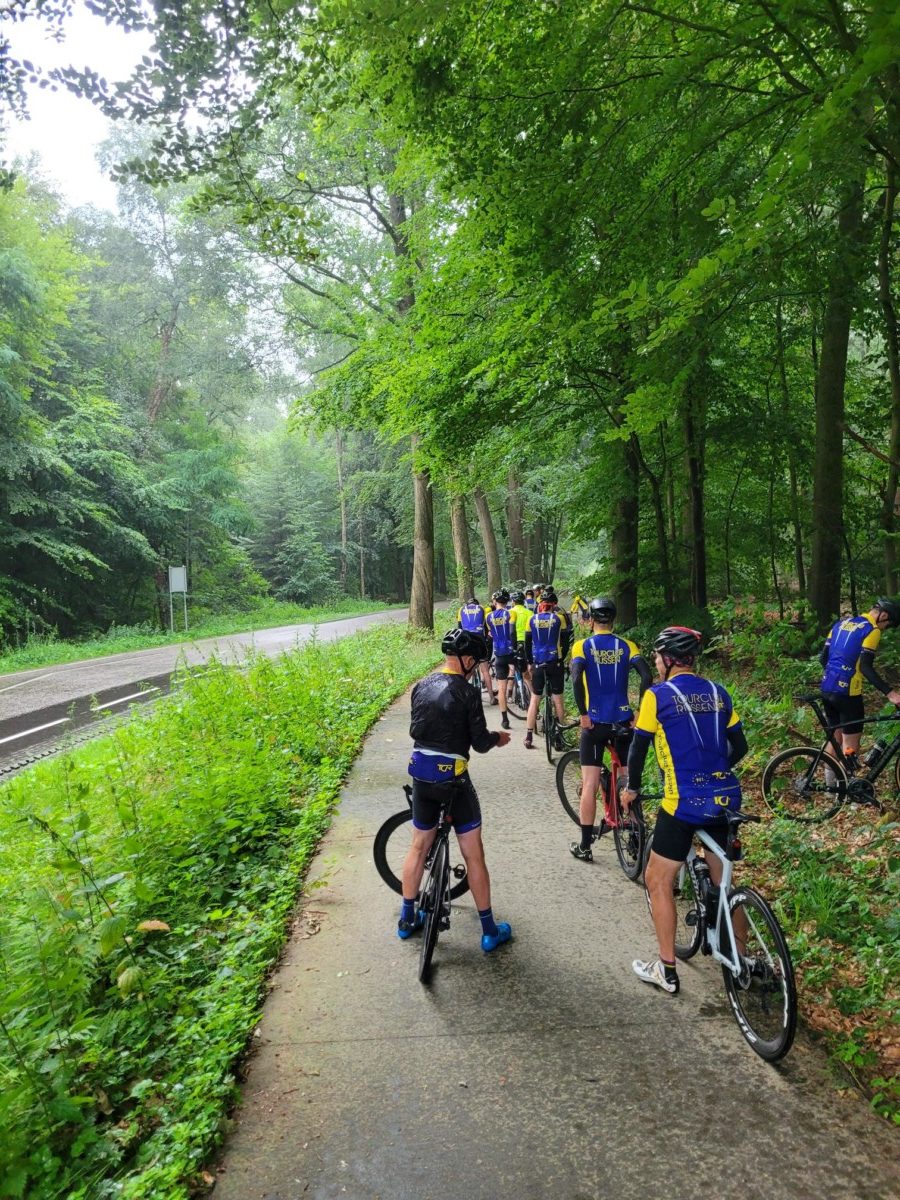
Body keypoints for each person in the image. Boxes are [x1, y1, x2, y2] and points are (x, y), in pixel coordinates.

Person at [620, 626, 748, 995]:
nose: (655, 662)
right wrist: (715, 771)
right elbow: (740, 745)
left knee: (657, 879)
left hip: (683, 802)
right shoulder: (719, 692)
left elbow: (638, 748)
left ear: (668, 660)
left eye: (657, 657)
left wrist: (632, 789)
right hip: (726, 796)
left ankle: (666, 970)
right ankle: (742, 961)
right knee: (725, 884)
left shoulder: (657, 695)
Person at [398, 628, 513, 953]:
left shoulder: (421, 685)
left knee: (418, 846)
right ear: (467, 660)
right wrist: (498, 738)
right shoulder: (467, 692)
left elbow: (416, 729)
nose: (476, 667)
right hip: (454, 781)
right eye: (476, 662)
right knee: (473, 854)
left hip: (421, 775)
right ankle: (489, 931)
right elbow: (480, 743)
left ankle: (407, 920)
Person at [568, 597, 651, 862]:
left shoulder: (582, 646)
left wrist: (583, 714)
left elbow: (576, 678)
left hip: (594, 724)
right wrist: (640, 711)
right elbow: (647, 676)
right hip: (624, 721)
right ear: (613, 620)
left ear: (591, 620)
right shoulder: (628, 645)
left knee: (590, 784)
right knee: (628, 778)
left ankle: (585, 846)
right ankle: (636, 837)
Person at [819, 597, 900, 770]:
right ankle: (844, 785)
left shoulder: (840, 624)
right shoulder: (872, 630)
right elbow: (865, 667)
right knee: (850, 747)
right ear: (883, 615)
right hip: (848, 694)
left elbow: (823, 658)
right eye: (889, 624)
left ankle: (829, 784)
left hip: (827, 688)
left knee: (835, 740)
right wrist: (890, 693)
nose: (885, 628)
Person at [523, 588, 572, 749]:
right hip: (554, 662)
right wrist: (561, 659)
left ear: (540, 604)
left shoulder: (531, 619)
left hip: (538, 662)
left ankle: (529, 736)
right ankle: (559, 736)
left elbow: (527, 644)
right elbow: (565, 642)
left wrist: (530, 662)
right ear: (553, 605)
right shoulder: (559, 618)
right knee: (558, 699)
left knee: (535, 699)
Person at [486, 590, 518, 730]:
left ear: (495, 602)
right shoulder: (511, 613)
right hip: (511, 651)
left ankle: (504, 720)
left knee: (501, 688)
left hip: (499, 654)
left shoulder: (488, 617)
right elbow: (512, 631)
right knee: (526, 676)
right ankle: (533, 706)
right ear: (507, 601)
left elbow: (491, 634)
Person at [457, 595, 495, 702]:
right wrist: (486, 638)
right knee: (485, 670)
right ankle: (492, 698)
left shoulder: (461, 610)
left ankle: (462, 697)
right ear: (477, 604)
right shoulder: (482, 609)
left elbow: (459, 628)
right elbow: (486, 626)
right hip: (479, 641)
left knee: (466, 670)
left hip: (467, 641)